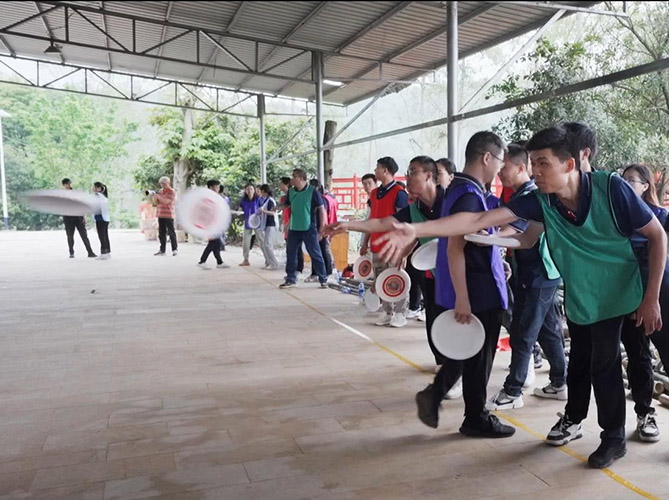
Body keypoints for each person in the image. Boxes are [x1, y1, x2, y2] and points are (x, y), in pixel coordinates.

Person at [377, 125, 666, 468]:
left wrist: (651, 299)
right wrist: (418, 229)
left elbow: (658, 236)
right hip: (582, 294)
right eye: (532, 163)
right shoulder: (542, 201)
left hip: (622, 290)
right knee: (583, 363)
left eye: (543, 163)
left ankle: (613, 438)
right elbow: (480, 219)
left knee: (605, 363)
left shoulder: (611, 188)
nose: (535, 172)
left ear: (570, 164)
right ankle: (584, 422)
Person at [485, 144, 567, 411]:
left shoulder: (531, 196)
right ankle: (560, 381)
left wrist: (484, 234)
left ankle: (513, 390)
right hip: (536, 272)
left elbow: (513, 229)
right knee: (547, 330)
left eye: (504, 167)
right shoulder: (517, 194)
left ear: (521, 168)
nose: (500, 172)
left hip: (540, 273)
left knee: (523, 331)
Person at [620, 163, 669, 442]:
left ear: (645, 186)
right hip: (628, 298)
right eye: (622, 180)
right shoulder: (619, 222)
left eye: (631, 181)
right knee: (638, 356)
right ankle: (645, 414)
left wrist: (654, 299)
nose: (624, 185)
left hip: (661, 296)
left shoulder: (662, 217)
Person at [365, 157, 410, 328]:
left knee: (396, 278)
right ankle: (387, 311)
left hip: (393, 246)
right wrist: (365, 241)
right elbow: (371, 218)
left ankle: (400, 312)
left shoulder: (399, 193)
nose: (375, 170)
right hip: (376, 243)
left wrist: (404, 248)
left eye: (377, 168)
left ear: (385, 171)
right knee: (380, 280)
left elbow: (404, 223)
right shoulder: (375, 193)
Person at [279, 168, 328, 289]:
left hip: (309, 228)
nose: (291, 179)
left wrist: (322, 228)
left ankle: (323, 278)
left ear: (301, 179)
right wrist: (284, 220)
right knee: (291, 253)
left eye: (294, 176)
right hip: (294, 227)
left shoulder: (312, 191)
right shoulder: (290, 192)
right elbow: (289, 206)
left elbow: (322, 209)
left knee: (315, 253)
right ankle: (290, 278)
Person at [305, 180, 335, 281]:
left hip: (321, 228)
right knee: (320, 250)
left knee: (320, 251)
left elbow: (323, 215)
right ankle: (321, 272)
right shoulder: (325, 198)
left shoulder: (321, 199)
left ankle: (323, 273)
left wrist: (321, 230)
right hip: (321, 228)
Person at [197, 180, 230, 270]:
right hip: (210, 223)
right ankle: (202, 261)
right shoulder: (208, 197)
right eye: (217, 187)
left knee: (216, 243)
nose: (218, 189)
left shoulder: (215, 197)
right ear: (211, 187)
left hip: (215, 223)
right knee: (214, 243)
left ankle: (219, 262)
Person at [61, 178, 96, 259]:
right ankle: (71, 252)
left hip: (78, 216)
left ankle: (90, 252)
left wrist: (83, 215)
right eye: (67, 184)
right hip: (68, 218)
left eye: (69, 183)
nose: (69, 185)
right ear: (63, 185)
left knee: (84, 235)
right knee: (70, 236)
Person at [279, 177, 304, 277]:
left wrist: (289, 222)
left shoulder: (294, 195)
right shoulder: (285, 197)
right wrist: (283, 222)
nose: (279, 186)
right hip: (287, 224)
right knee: (290, 249)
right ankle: (292, 271)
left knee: (296, 248)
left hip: (294, 224)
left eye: (281, 184)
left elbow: (294, 211)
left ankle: (298, 269)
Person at [152, 176, 178, 256]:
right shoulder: (160, 191)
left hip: (168, 214)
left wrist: (159, 196)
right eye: (161, 184)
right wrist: (154, 197)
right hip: (160, 214)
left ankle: (174, 249)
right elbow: (155, 204)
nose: (162, 185)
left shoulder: (171, 191)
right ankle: (162, 250)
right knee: (161, 233)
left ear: (168, 183)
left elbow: (166, 201)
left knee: (171, 232)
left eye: (164, 183)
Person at [257, 184, 280, 270]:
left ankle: (274, 264)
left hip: (271, 224)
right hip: (267, 225)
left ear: (263, 191)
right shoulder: (266, 201)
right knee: (266, 245)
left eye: (261, 191)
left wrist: (263, 211)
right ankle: (270, 262)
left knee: (267, 245)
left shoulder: (270, 201)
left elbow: (273, 213)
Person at [239, 183, 261, 267]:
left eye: (251, 189)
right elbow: (240, 208)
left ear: (254, 190)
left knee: (261, 241)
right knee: (246, 241)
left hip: (257, 223)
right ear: (245, 190)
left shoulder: (258, 199)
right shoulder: (243, 200)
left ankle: (268, 259)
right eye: (247, 189)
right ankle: (246, 259)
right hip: (248, 223)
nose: (249, 191)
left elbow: (262, 208)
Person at [93, 182, 111, 260]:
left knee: (102, 236)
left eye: (94, 187)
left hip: (100, 218)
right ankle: (107, 252)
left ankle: (104, 253)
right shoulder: (103, 196)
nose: (93, 188)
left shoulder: (98, 196)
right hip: (105, 218)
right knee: (105, 236)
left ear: (98, 188)